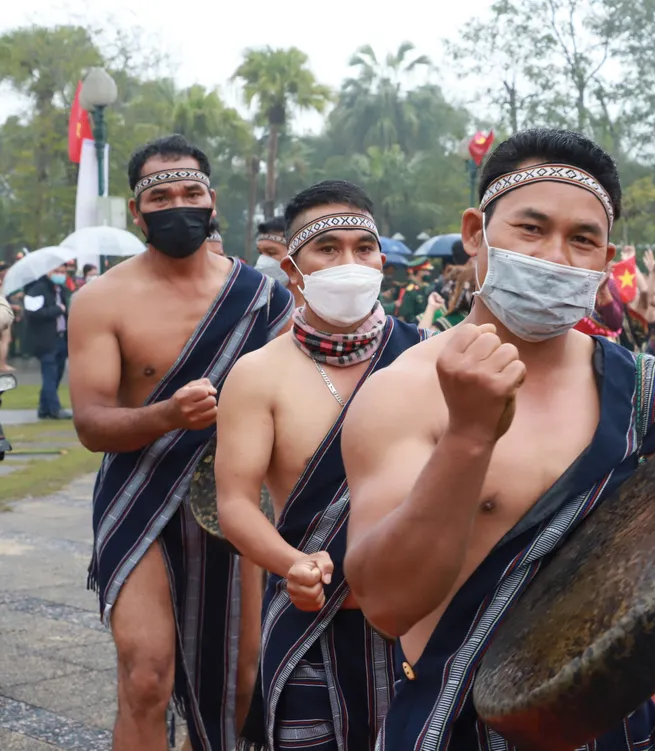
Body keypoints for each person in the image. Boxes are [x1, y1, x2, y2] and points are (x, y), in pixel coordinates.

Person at [342, 129, 655, 750]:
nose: (556, 258)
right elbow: (387, 604)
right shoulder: (402, 393)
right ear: (476, 232)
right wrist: (468, 440)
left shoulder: (649, 393)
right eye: (531, 229)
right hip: (462, 725)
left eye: (582, 239)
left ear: (605, 259)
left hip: (613, 723)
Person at [68, 134, 293, 751]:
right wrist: (167, 413)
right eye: (160, 196)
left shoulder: (263, 297)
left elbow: (293, 408)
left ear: (212, 200)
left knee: (243, 685)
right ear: (138, 212)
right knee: (145, 676)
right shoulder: (100, 300)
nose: (178, 205)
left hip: (238, 501)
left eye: (191, 192)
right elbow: (90, 424)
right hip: (139, 498)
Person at [215, 180, 428, 751]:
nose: (349, 263)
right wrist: (291, 564)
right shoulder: (258, 375)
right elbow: (234, 502)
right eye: (327, 249)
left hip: (424, 628)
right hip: (314, 626)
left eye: (363, 248)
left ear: (382, 261)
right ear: (292, 268)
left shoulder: (432, 357)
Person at [24, 264, 72, 419]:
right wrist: (57, 310)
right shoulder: (38, 289)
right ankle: (54, 409)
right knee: (50, 375)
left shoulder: (61, 290)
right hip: (45, 340)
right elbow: (33, 313)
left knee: (56, 375)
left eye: (63, 272)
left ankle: (44, 408)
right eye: (57, 271)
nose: (60, 275)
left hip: (60, 339)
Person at [394, 257, 433, 323]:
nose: (428, 273)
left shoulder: (424, 287)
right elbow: (405, 316)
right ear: (418, 271)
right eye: (426, 271)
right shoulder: (411, 290)